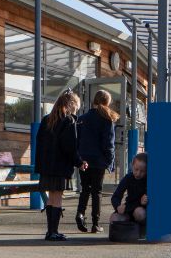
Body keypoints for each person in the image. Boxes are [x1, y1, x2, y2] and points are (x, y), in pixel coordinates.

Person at [35, 90, 82, 241]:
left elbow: (40, 143)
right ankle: (53, 231)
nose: (76, 109)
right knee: (58, 198)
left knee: (51, 197)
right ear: (71, 104)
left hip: (47, 167)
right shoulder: (68, 121)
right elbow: (70, 146)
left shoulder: (46, 120)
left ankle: (51, 231)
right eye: (76, 106)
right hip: (60, 166)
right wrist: (79, 162)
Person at [75, 90, 117, 233]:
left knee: (85, 189)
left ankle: (80, 214)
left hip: (83, 159)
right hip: (98, 161)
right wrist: (109, 161)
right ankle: (95, 223)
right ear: (107, 102)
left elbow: (77, 140)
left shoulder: (82, 118)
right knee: (97, 191)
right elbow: (108, 143)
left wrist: (78, 158)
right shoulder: (107, 119)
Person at [110, 152, 148, 227]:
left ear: (147, 171)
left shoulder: (148, 180)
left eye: (142, 171)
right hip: (129, 208)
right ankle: (128, 227)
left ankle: (142, 230)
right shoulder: (128, 178)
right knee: (114, 218)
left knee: (139, 213)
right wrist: (118, 206)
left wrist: (145, 200)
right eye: (136, 169)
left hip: (140, 209)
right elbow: (115, 196)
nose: (138, 173)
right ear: (132, 166)